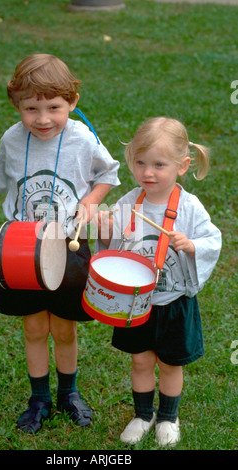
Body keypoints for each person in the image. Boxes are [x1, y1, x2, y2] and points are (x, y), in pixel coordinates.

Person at [0, 53, 120, 433]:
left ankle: (69, 392)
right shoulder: (12, 140)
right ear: (16, 104)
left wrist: (90, 201)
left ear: (72, 103)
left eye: (54, 107)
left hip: (68, 245)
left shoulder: (83, 139)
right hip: (21, 250)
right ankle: (39, 399)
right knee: (34, 327)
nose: (43, 118)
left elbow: (109, 172)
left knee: (64, 327)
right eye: (31, 108)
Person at [95, 117, 221, 446]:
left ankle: (168, 416)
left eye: (159, 165)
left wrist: (192, 245)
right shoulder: (128, 203)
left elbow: (212, 240)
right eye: (140, 162)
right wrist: (106, 230)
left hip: (174, 301)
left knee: (169, 363)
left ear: (182, 166)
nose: (147, 173)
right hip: (136, 303)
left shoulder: (190, 208)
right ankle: (142, 414)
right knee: (140, 360)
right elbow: (112, 250)